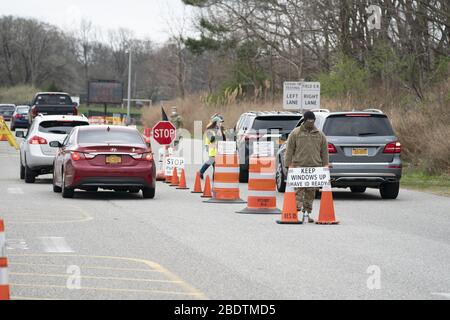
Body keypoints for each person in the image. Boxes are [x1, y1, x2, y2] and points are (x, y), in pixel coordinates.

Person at [284, 111, 329, 223]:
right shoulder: (296, 133)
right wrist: (288, 164)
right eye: (308, 121)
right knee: (298, 190)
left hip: (314, 168)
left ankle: (307, 213)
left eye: (312, 121)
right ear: (304, 120)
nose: (310, 123)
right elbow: (289, 150)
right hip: (299, 167)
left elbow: (324, 152)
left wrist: (325, 165)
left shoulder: (319, 134)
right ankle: (296, 209)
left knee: (311, 191)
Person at [199, 115, 226, 180]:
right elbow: (210, 139)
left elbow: (224, 139)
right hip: (212, 149)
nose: (221, 123)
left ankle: (214, 177)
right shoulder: (210, 130)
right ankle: (201, 172)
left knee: (215, 164)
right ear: (216, 122)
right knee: (212, 162)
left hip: (219, 149)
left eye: (221, 122)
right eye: (219, 122)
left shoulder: (221, 129)